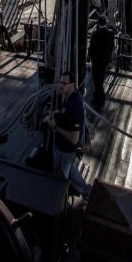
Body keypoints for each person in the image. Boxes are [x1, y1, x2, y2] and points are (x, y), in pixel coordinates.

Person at [46, 71, 91, 200]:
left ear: (73, 85)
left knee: (61, 174)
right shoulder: (72, 96)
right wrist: (58, 112)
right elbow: (67, 114)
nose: (60, 85)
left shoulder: (74, 106)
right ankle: (86, 191)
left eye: (64, 83)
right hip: (61, 146)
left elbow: (74, 139)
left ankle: (58, 199)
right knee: (69, 168)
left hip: (65, 149)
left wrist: (54, 126)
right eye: (60, 82)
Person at [88, 15, 115, 108]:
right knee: (101, 76)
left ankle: (100, 99)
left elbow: (91, 48)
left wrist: (90, 58)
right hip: (105, 60)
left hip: (96, 61)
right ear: (106, 23)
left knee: (97, 79)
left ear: (98, 23)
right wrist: (109, 58)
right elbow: (112, 47)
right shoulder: (111, 33)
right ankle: (98, 94)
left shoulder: (95, 33)